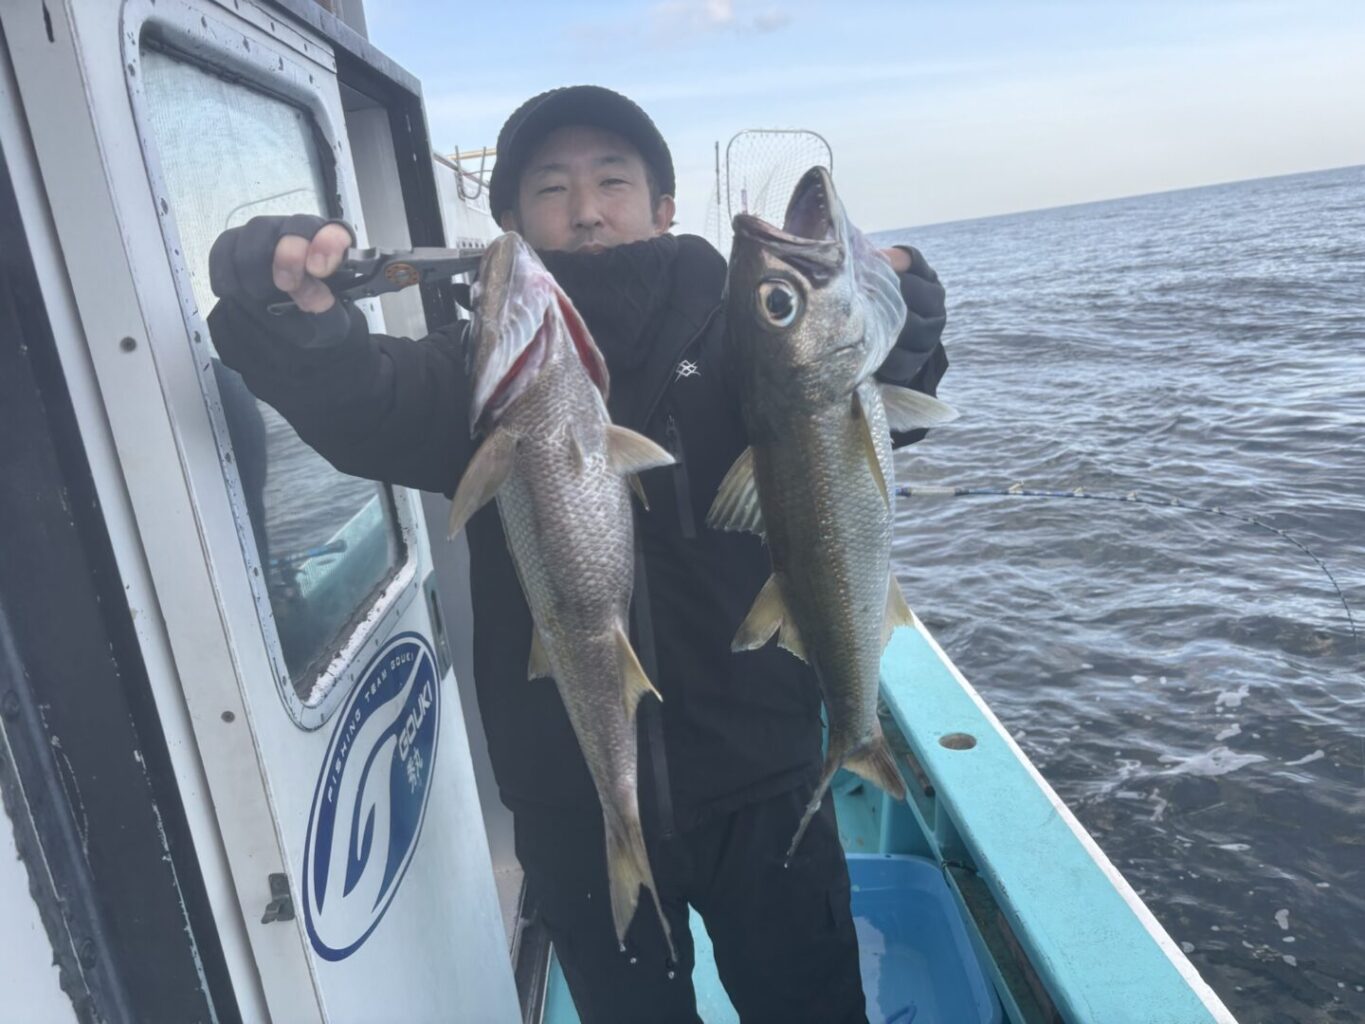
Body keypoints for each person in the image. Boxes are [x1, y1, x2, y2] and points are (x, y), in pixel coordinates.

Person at [206, 86, 948, 1024]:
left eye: (612, 181)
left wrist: (905, 323)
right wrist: (289, 319)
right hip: (572, 802)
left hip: (762, 774)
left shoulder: (745, 334)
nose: (586, 209)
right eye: (552, 189)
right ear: (512, 225)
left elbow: (859, 419)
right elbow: (361, 399)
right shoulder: (473, 371)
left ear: (664, 207)